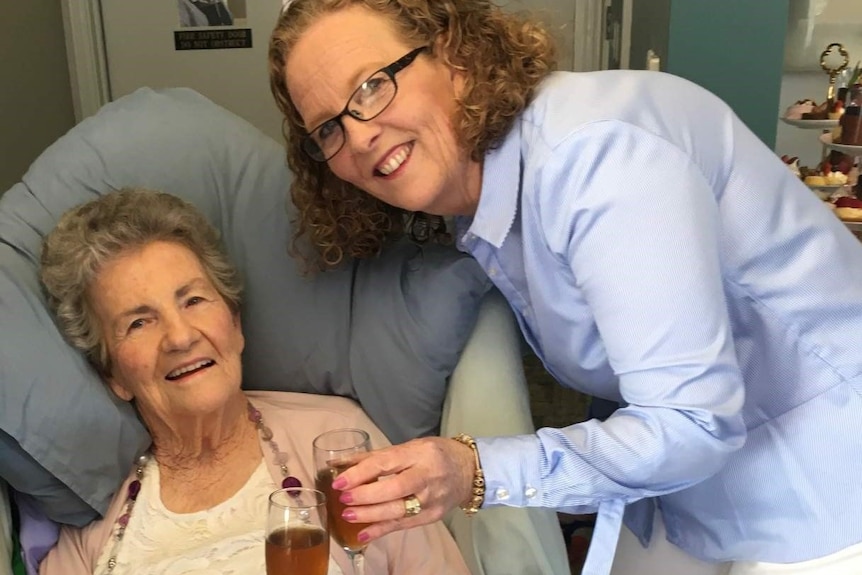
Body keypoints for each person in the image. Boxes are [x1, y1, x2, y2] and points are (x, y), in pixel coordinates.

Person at [267, 1, 862, 574]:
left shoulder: (593, 157)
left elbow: (692, 422)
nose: (359, 134)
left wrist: (472, 468)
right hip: (697, 480)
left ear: (453, 51)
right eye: (328, 128)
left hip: (822, 474)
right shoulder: (481, 194)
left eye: (371, 85)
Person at [37, 188, 469, 575]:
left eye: (193, 300)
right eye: (138, 323)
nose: (181, 336)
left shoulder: (333, 442)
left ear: (235, 323)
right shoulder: (94, 518)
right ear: (113, 374)